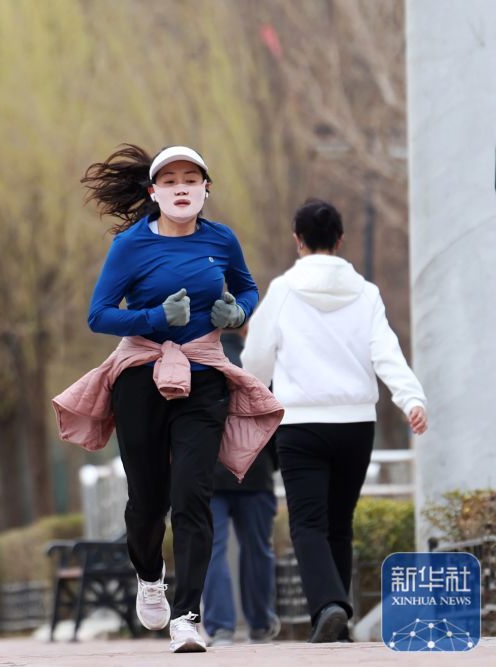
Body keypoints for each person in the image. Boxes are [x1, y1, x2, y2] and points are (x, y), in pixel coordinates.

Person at [54, 145, 282, 653]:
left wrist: (234, 312)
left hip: (204, 375)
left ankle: (187, 617)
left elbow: (248, 290)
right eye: (170, 180)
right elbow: (99, 315)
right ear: (153, 192)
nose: (182, 187)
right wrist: (154, 319)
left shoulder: (222, 239)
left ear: (205, 190)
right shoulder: (131, 245)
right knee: (148, 501)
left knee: (193, 496)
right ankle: (149, 575)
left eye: (191, 179)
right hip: (141, 376)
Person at [242, 199, 428, 642]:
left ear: (297, 240)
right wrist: (411, 399)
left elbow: (256, 357)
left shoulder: (283, 290)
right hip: (356, 425)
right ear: (340, 240)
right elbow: (386, 352)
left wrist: (253, 392)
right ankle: (338, 622)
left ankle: (329, 606)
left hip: (300, 425)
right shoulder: (366, 293)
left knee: (308, 523)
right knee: (339, 521)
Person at [201, 327, 280, 646]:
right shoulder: (260, 365)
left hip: (209, 474)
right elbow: (274, 414)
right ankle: (260, 622)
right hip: (255, 471)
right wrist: (270, 462)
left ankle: (220, 626)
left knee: (211, 550)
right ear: (248, 326)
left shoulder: (202, 361)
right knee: (258, 549)